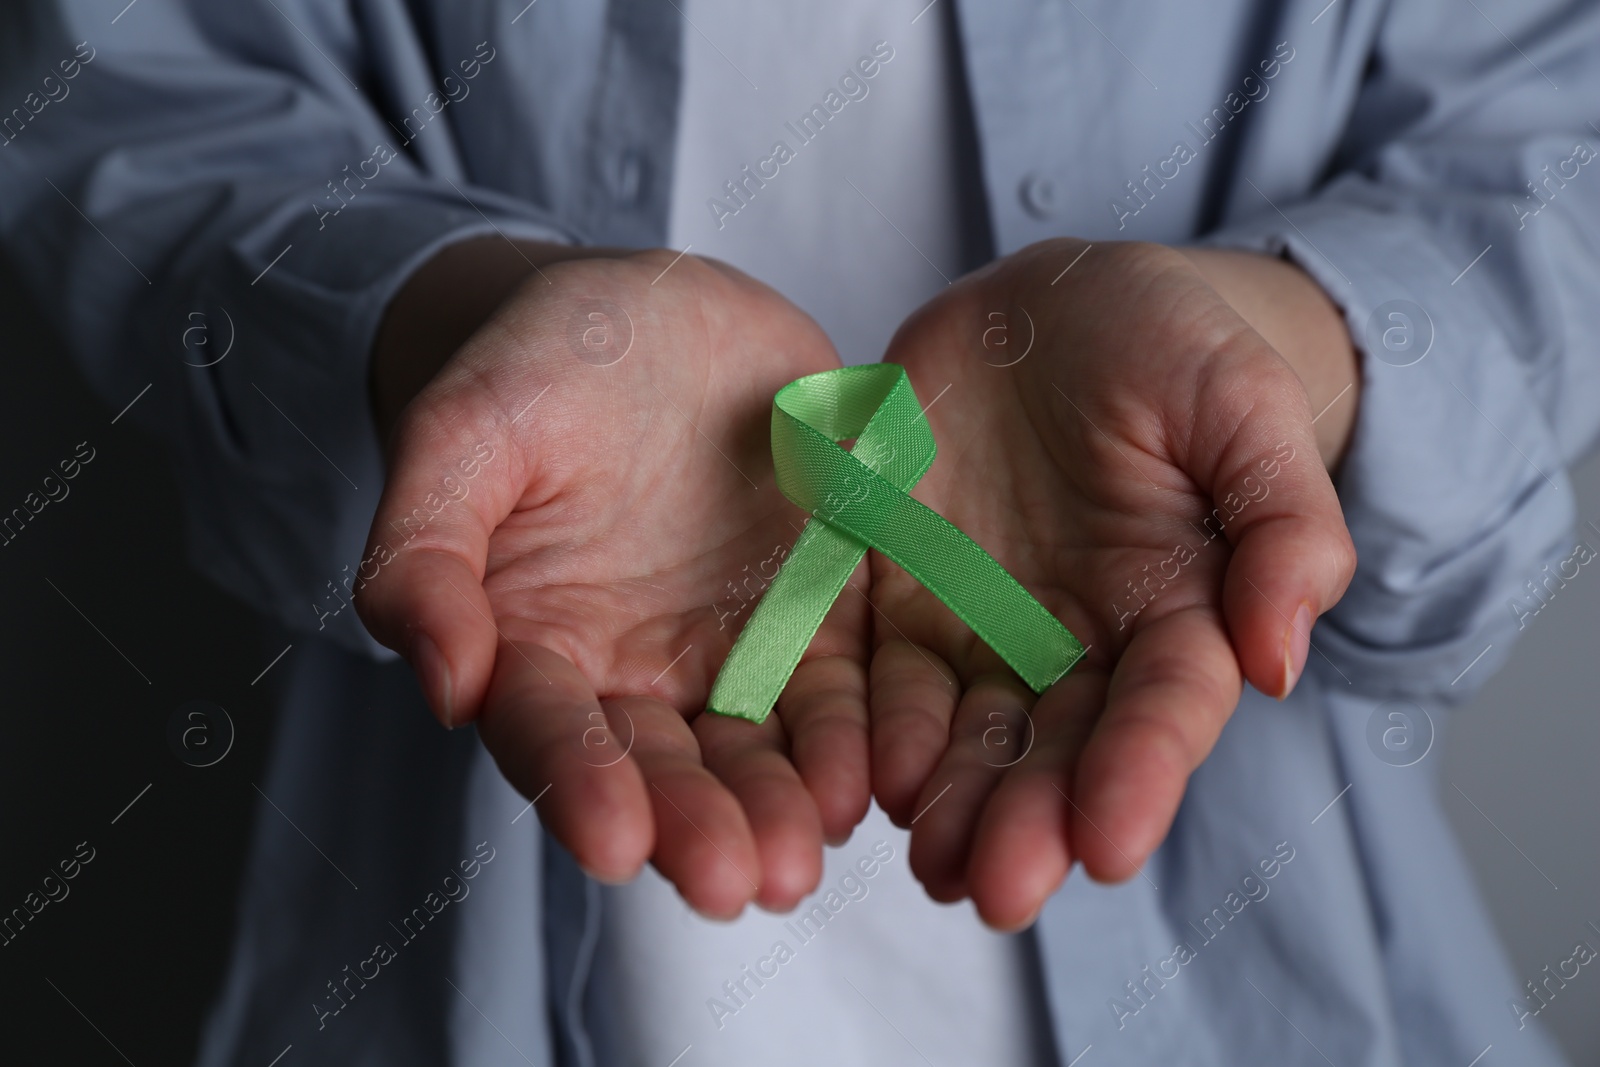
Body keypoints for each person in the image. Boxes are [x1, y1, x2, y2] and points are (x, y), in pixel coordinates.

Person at [3, 0, 1597, 1063]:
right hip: (458, 921)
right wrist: (449, 327)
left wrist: (1292, 345)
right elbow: (129, 95)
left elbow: (1558, 134)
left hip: (1265, 963)